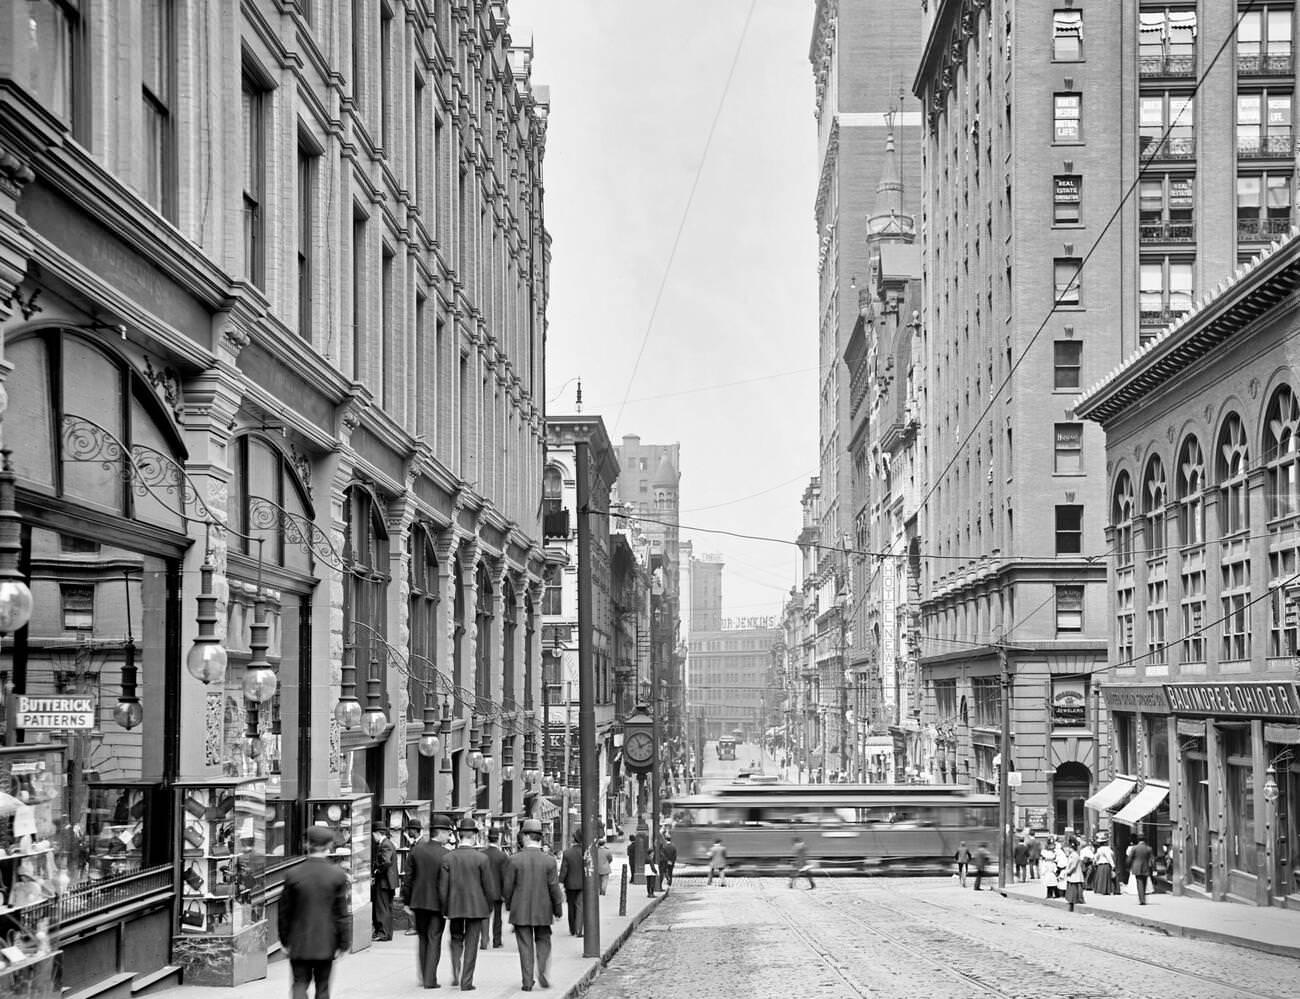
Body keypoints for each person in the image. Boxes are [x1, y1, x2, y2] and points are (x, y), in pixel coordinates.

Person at [278, 825, 350, 999]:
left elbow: (284, 912)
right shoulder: (337, 875)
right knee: (323, 988)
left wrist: (285, 941)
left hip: (299, 942)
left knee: (299, 984)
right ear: (329, 845)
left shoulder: (293, 874)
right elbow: (341, 914)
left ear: (306, 844)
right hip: (326, 943)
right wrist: (344, 943)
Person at [503, 818, 564, 993]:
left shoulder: (514, 860)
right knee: (544, 941)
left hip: (520, 910)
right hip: (543, 910)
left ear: (526, 837)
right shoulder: (549, 861)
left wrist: (509, 905)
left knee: (524, 945)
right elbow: (554, 888)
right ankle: (542, 970)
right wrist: (558, 909)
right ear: (539, 838)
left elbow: (508, 887)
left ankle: (527, 981)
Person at [439, 816, 497, 991]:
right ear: (473, 836)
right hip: (476, 908)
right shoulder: (482, 859)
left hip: (455, 907)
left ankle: (456, 970)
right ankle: (466, 981)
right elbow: (489, 887)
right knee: (472, 944)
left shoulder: (448, 858)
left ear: (459, 836)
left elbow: (442, 888)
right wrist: (489, 907)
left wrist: (444, 908)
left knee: (456, 939)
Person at [404, 813, 453, 989]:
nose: (449, 837)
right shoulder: (447, 855)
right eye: (448, 833)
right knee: (435, 939)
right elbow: (449, 884)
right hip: (438, 904)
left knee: (423, 938)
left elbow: (408, 878)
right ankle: (430, 979)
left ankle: (424, 975)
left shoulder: (416, 850)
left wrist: (406, 901)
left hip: (418, 902)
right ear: (440, 832)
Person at [478, 827, 510, 949]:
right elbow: (505, 876)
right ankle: (497, 941)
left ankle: (484, 940)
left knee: (485, 916)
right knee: (498, 918)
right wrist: (505, 894)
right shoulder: (503, 856)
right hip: (497, 892)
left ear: (488, 838)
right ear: (499, 839)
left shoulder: (481, 854)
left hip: (483, 892)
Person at [372, 824, 398, 941]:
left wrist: (378, 870)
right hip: (388, 882)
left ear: (377, 833)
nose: (373, 837)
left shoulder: (385, 844)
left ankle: (382, 933)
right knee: (387, 907)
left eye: (373, 834)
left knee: (382, 907)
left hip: (384, 881)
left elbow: (386, 862)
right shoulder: (388, 843)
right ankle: (387, 933)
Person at [558, 829, 586, 936]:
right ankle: (579, 929)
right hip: (584, 883)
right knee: (580, 906)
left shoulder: (568, 853)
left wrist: (560, 882)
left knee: (571, 906)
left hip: (570, 884)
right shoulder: (587, 852)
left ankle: (572, 928)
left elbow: (564, 869)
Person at [1126, 833, 1154, 905]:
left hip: (1136, 867)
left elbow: (1130, 858)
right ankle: (1143, 898)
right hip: (1146, 867)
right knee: (1144, 882)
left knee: (1139, 883)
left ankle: (1141, 899)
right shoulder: (1148, 848)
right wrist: (1152, 868)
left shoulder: (1134, 848)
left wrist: (1128, 866)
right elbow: (1152, 860)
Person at [1063, 842, 1086, 913]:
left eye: (1069, 848)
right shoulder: (1071, 855)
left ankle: (1075, 900)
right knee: (1071, 887)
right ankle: (1071, 901)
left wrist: (1068, 872)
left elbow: (1073, 866)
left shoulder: (1075, 855)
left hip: (1075, 874)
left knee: (1074, 887)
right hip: (1072, 875)